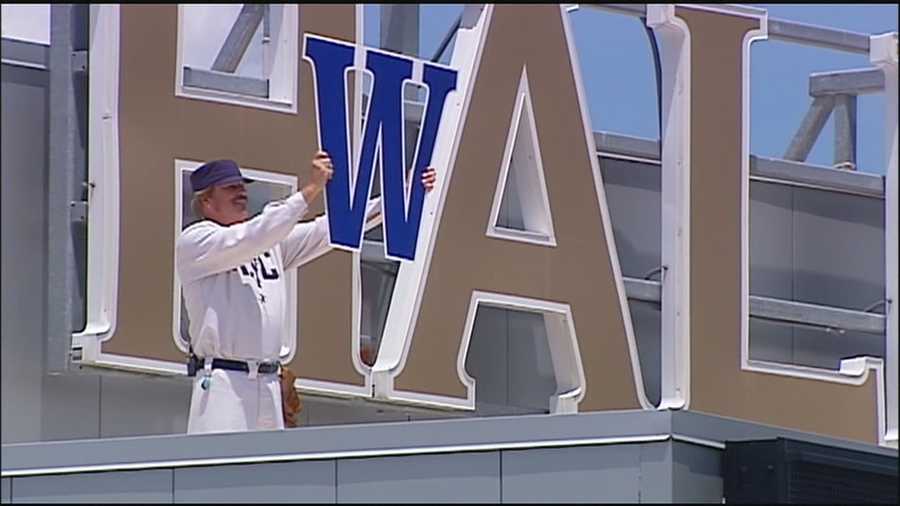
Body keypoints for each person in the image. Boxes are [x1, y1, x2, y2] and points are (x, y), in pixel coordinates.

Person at [176, 152, 437, 434]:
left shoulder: (267, 244)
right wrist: (310, 190)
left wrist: (400, 197)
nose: (241, 193)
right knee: (218, 469)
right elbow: (251, 236)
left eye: (242, 186)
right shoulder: (196, 241)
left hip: (268, 382)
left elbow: (327, 230)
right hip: (223, 382)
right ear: (206, 201)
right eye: (230, 188)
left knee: (268, 471)